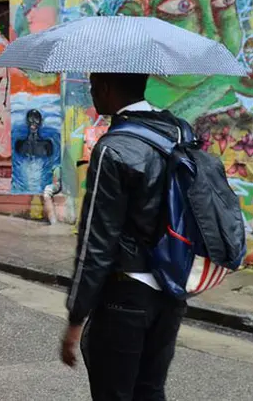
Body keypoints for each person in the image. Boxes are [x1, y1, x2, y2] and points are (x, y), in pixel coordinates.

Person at [61, 73, 188, 401]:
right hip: (171, 292)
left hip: (126, 295)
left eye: (92, 87)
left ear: (105, 87)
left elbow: (96, 242)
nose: (92, 95)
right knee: (150, 391)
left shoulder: (111, 148)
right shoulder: (177, 132)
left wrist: (76, 317)